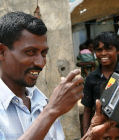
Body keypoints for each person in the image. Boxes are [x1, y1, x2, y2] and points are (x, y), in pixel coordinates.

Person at [0, 11, 84, 140]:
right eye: (30, 52)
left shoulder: (41, 100)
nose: (40, 63)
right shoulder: (50, 108)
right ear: (2, 52)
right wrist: (51, 112)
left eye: (43, 53)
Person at [81, 31, 119, 135]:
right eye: (99, 50)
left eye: (108, 49)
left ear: (118, 50)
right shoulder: (91, 78)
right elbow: (87, 109)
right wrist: (87, 134)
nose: (103, 53)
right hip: (100, 133)